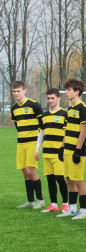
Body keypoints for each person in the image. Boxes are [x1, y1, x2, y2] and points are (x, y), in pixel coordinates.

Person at [57, 79, 86, 219]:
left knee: (78, 180)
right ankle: (72, 209)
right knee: (69, 179)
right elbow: (67, 130)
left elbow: (84, 131)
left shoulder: (83, 108)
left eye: (69, 90)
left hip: (77, 151)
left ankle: (83, 211)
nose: (66, 92)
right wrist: (62, 147)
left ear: (77, 92)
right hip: (67, 150)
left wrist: (78, 150)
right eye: (66, 90)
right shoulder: (69, 110)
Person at [11, 81, 45, 209]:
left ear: (24, 91)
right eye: (14, 91)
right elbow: (17, 125)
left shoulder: (34, 105)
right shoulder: (14, 108)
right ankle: (30, 201)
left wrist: (40, 142)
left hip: (33, 142)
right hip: (21, 143)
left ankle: (40, 200)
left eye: (18, 91)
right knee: (24, 171)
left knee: (31, 171)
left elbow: (42, 124)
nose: (16, 94)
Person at [34, 88, 69, 213]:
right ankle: (53, 204)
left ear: (59, 98)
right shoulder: (44, 116)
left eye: (52, 98)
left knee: (60, 178)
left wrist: (63, 149)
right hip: (47, 152)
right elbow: (41, 133)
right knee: (50, 179)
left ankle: (65, 203)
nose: (50, 100)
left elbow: (67, 134)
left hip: (58, 152)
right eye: (48, 98)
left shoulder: (64, 114)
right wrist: (37, 150)